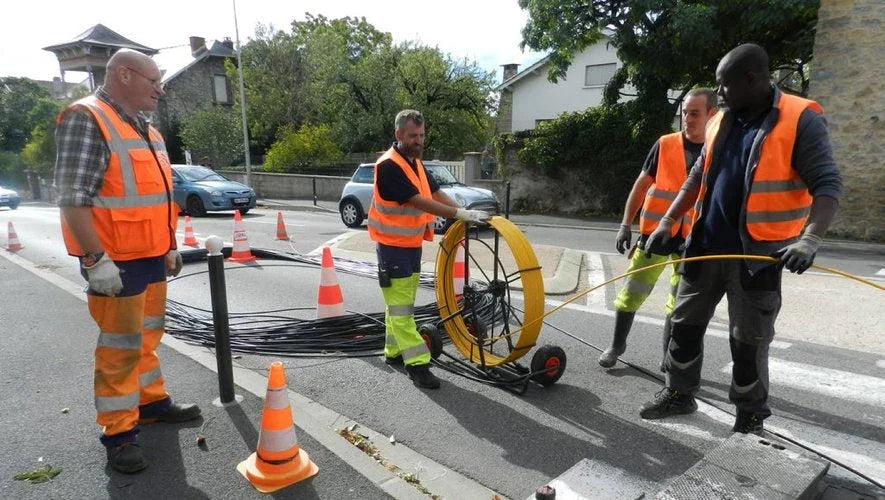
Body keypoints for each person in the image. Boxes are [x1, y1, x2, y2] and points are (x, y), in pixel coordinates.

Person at [638, 44, 842, 435]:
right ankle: (679, 393)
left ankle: (750, 417)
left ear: (751, 79)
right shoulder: (721, 121)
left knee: (748, 340)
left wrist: (810, 239)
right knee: (683, 324)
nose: (720, 93)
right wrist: (667, 220)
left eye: (725, 85)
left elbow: (828, 185)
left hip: (759, 255)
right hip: (705, 245)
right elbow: (697, 176)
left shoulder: (801, 119)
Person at [53, 49, 201, 474]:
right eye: (153, 80)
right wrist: (95, 259)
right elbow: (73, 196)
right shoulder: (87, 117)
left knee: (148, 336)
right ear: (124, 74)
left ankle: (151, 402)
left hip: (151, 254)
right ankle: (119, 434)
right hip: (115, 261)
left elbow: (158, 197)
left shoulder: (148, 131)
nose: (160, 89)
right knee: (120, 349)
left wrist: (169, 244)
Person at [369, 109, 489, 389]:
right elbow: (418, 202)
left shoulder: (416, 164)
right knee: (401, 310)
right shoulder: (389, 166)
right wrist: (457, 214)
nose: (419, 141)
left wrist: (461, 211)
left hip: (410, 246)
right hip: (393, 249)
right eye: (413, 136)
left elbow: (434, 193)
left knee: (399, 307)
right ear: (398, 135)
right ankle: (418, 365)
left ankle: (393, 351)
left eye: (422, 135)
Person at [599, 88, 718, 370]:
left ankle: (668, 356)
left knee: (679, 301)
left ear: (712, 114)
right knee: (632, 289)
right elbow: (641, 185)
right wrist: (625, 225)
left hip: (692, 237)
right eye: (685, 113)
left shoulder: (717, 148)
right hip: (655, 233)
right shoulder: (665, 144)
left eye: (695, 114)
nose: (687, 119)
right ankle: (617, 345)